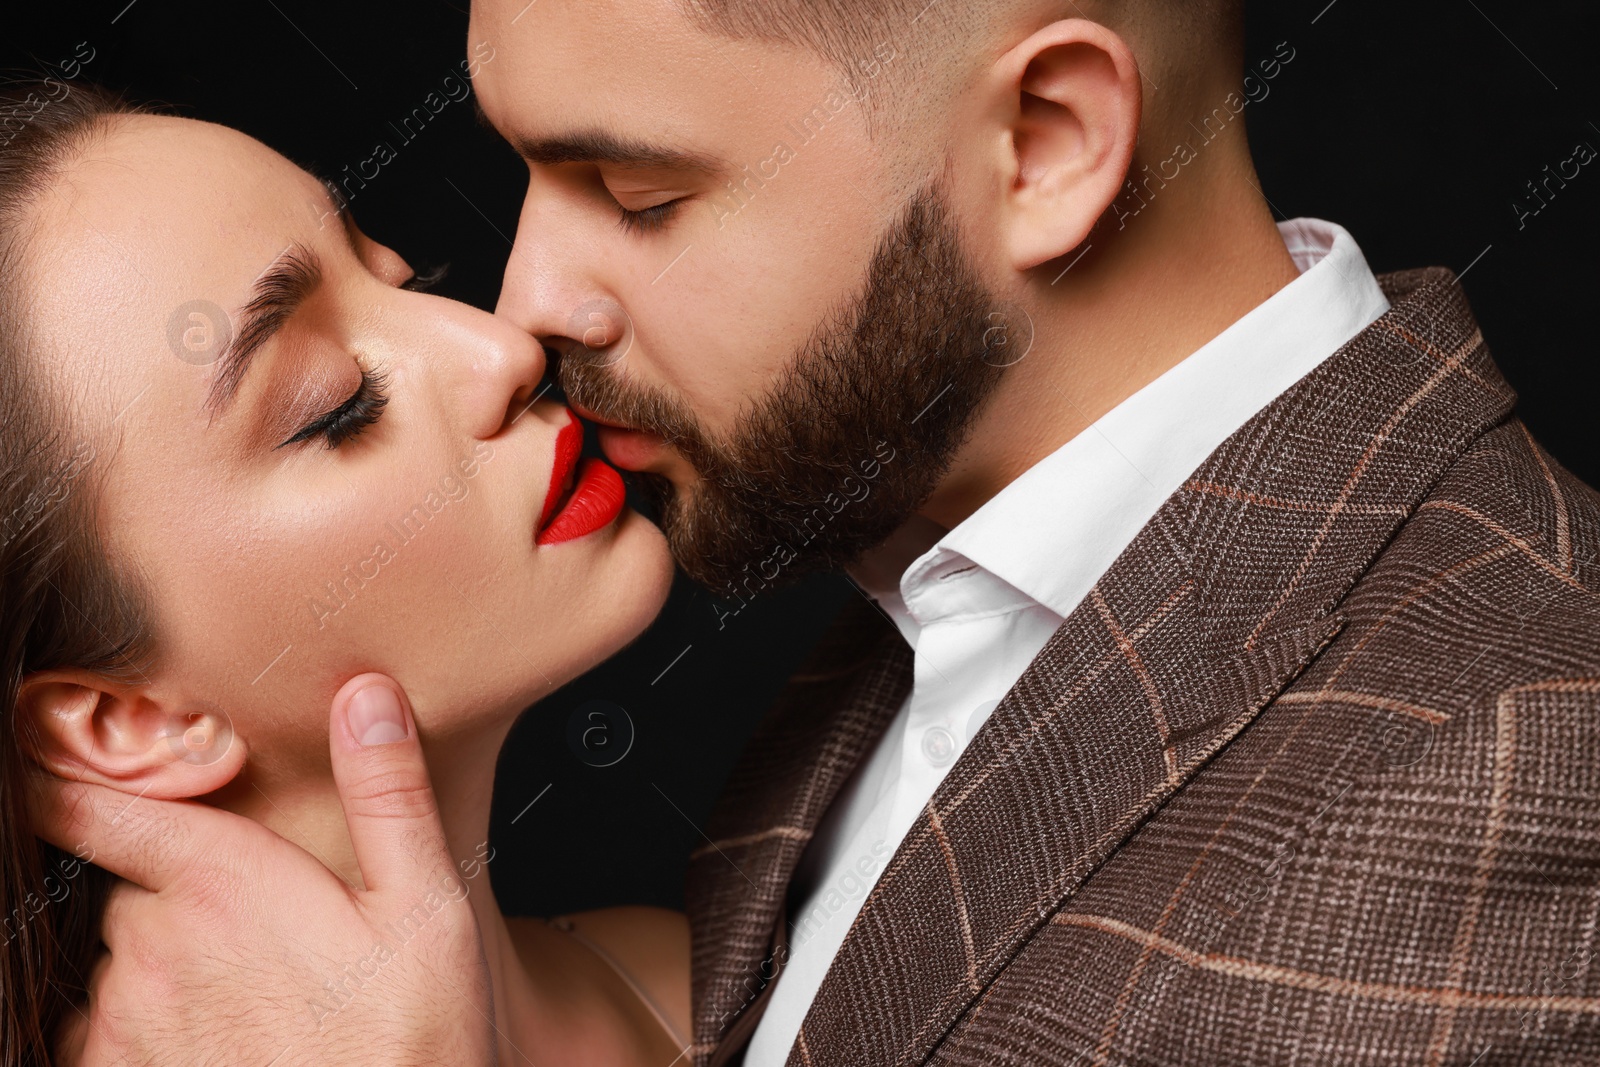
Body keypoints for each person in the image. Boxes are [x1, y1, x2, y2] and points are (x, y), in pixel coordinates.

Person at [31, 0, 1600, 1063]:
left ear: (1044, 142)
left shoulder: (1517, 766)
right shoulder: (894, 639)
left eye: (637, 192)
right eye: (324, 401)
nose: (517, 318)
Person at [0, 83, 694, 1065]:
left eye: (400, 279)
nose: (499, 347)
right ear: (130, 720)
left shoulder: (694, 966)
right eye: (337, 403)